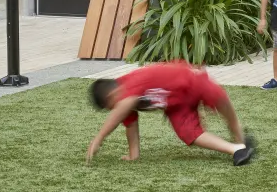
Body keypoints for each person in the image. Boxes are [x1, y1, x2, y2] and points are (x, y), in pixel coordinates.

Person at [87, 61, 256, 166]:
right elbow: (130, 125)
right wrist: (134, 155)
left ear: (111, 97)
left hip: (192, 82)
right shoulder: (124, 102)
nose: (115, 110)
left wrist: (98, 138)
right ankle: (236, 149)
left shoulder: (128, 86)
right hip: (176, 104)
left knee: (223, 108)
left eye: (111, 107)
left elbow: (124, 106)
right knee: (188, 133)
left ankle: (241, 137)